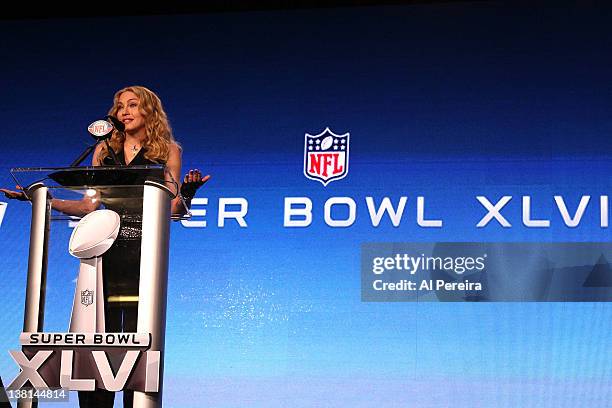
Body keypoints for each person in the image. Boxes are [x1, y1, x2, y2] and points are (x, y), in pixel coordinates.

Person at [1, 85, 209, 408]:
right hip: (104, 256)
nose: (124, 111)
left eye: (132, 105)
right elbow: (88, 207)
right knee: (97, 338)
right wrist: (41, 199)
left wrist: (188, 193)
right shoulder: (103, 151)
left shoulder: (167, 151)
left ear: (148, 111)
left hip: (143, 255)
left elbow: (171, 209)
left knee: (140, 345)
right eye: (119, 107)